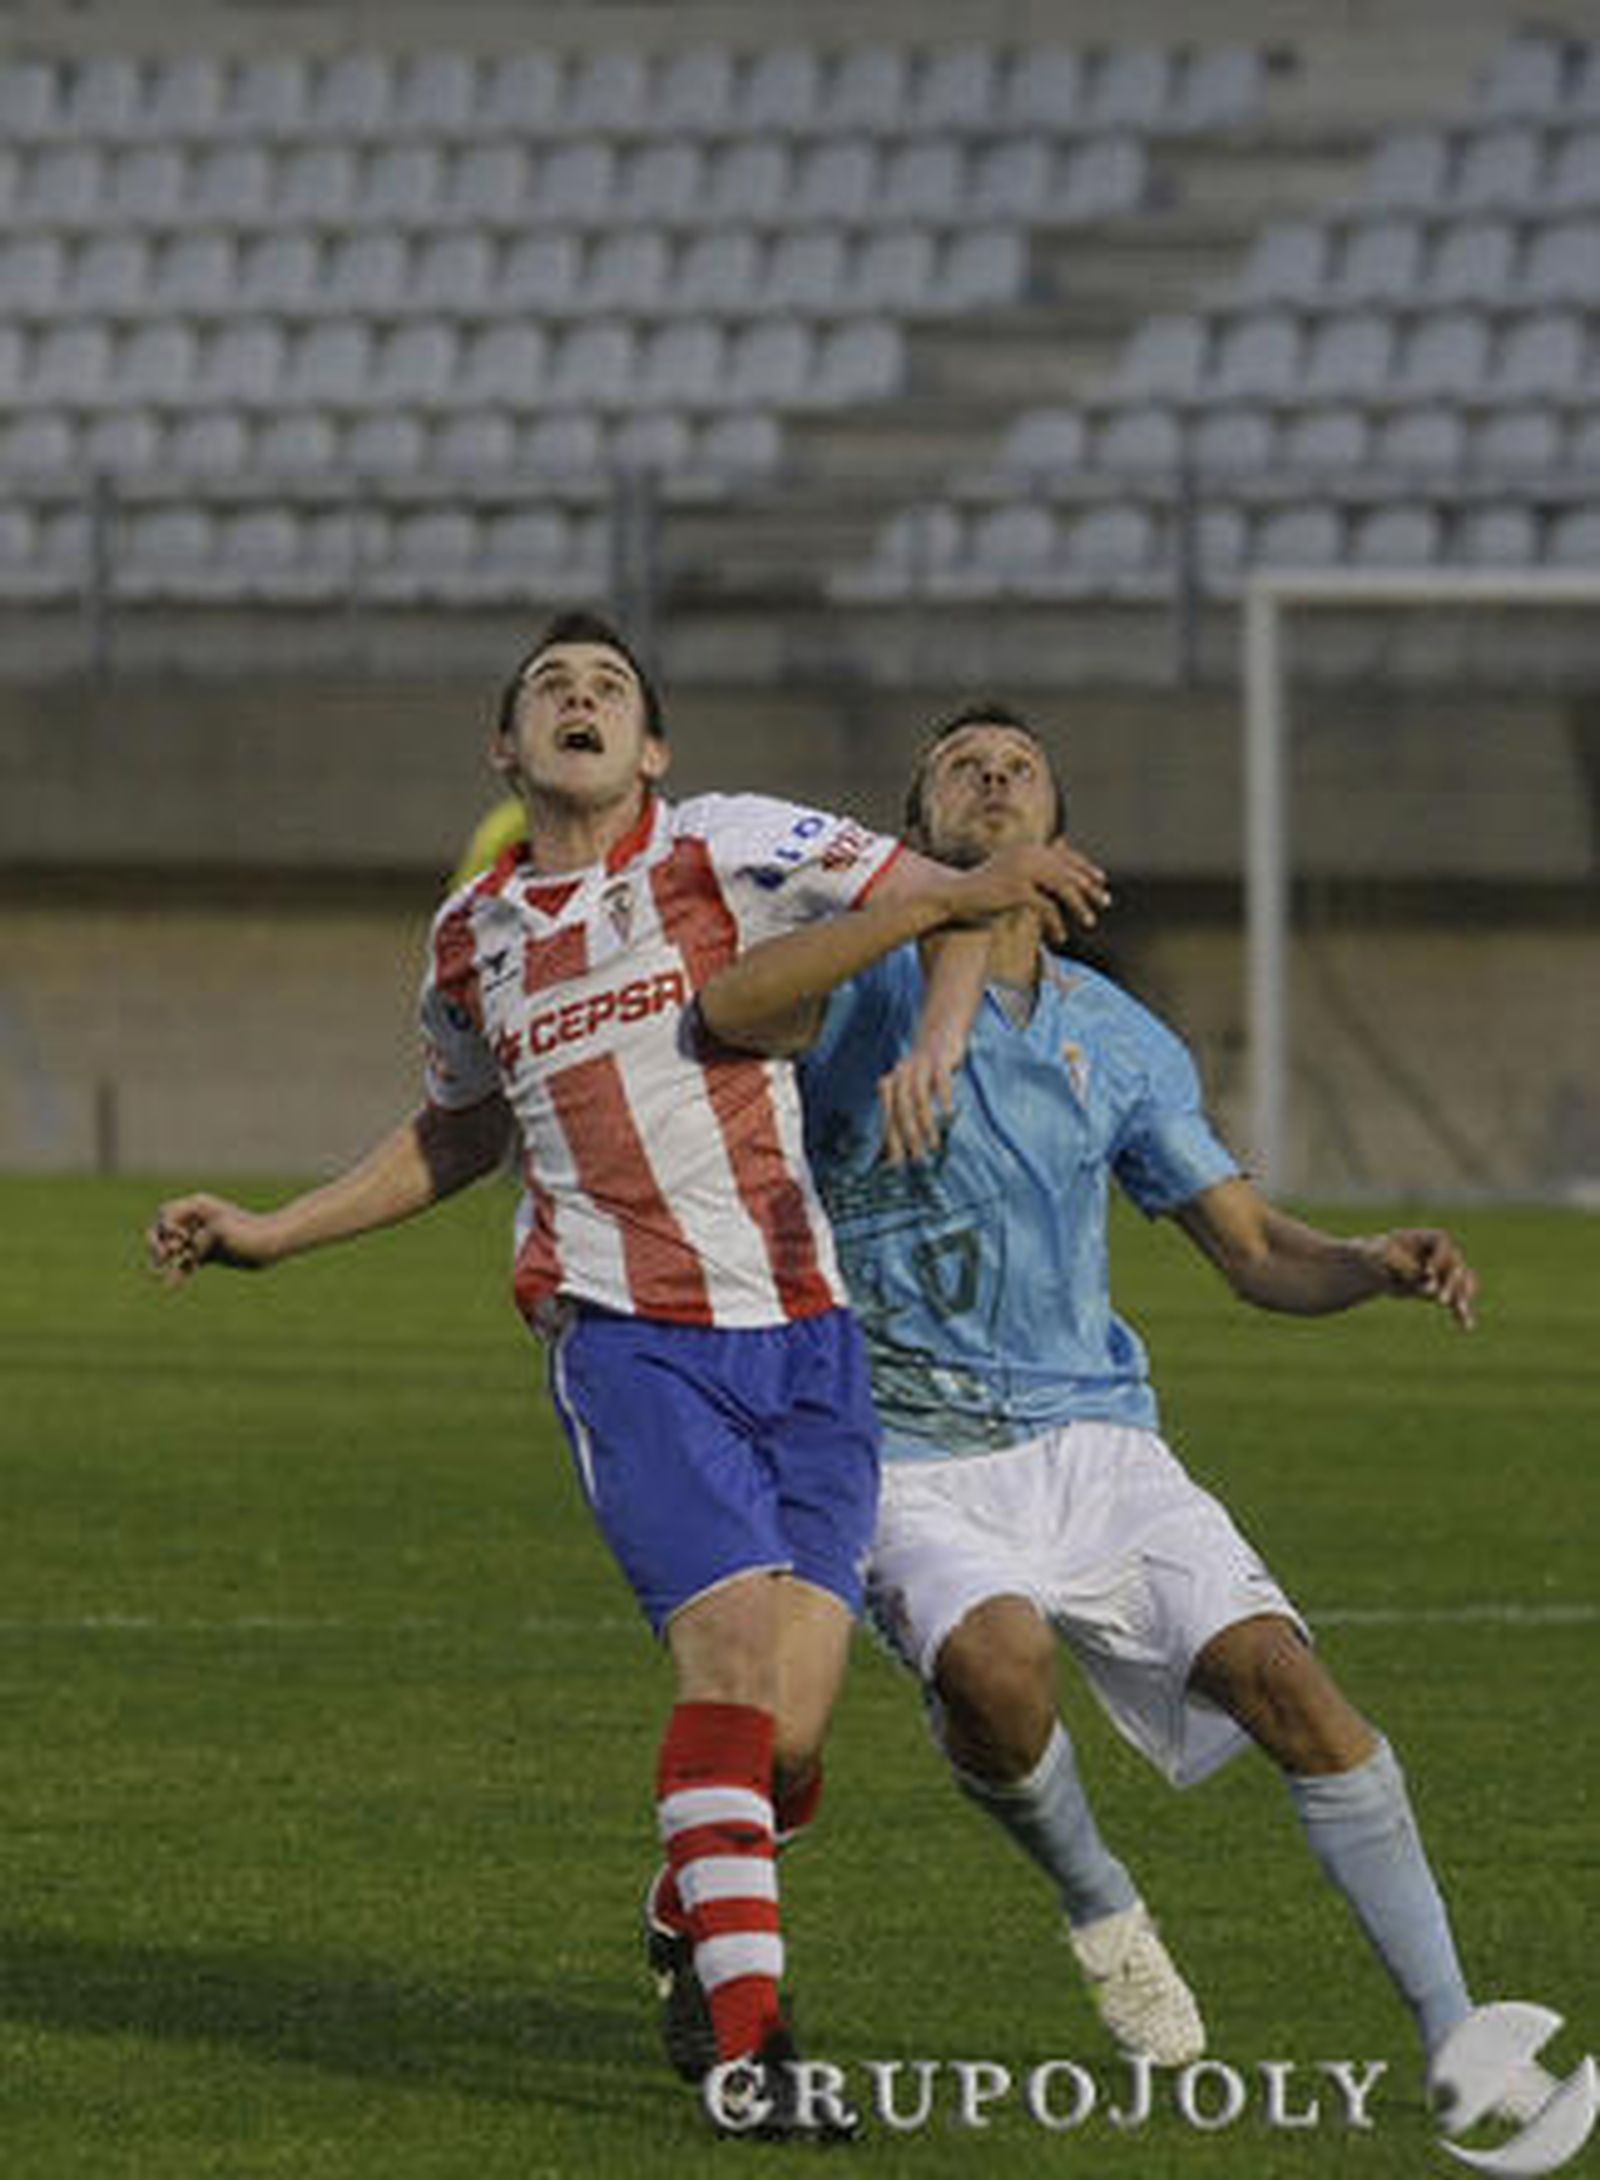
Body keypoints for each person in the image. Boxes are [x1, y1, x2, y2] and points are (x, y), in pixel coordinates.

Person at [145, 623, 1111, 2139]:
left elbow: (942, 897)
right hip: (628, 1336)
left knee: (788, 1740)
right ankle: (755, 2053)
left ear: (653, 748)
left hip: (807, 1335)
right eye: (550, 688)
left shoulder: (732, 844)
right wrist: (278, 1231)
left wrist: (937, 1028)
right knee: (728, 1671)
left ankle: (686, 1904)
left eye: (607, 687)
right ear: (506, 752)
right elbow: (459, 1131)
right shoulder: (472, 939)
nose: (579, 698)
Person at [696, 701, 1554, 2107]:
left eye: (1018, 766)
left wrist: (1369, 1263)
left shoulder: (1126, 1042)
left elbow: (1255, 1250)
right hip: (907, 1451)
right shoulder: (851, 996)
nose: (991, 775)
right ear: (916, 833)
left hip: (1098, 1442)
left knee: (1294, 1690)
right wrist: (912, 921)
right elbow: (730, 1011)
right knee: (999, 1661)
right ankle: (1102, 1904)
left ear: (1059, 828)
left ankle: (1458, 2034)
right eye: (959, 767)